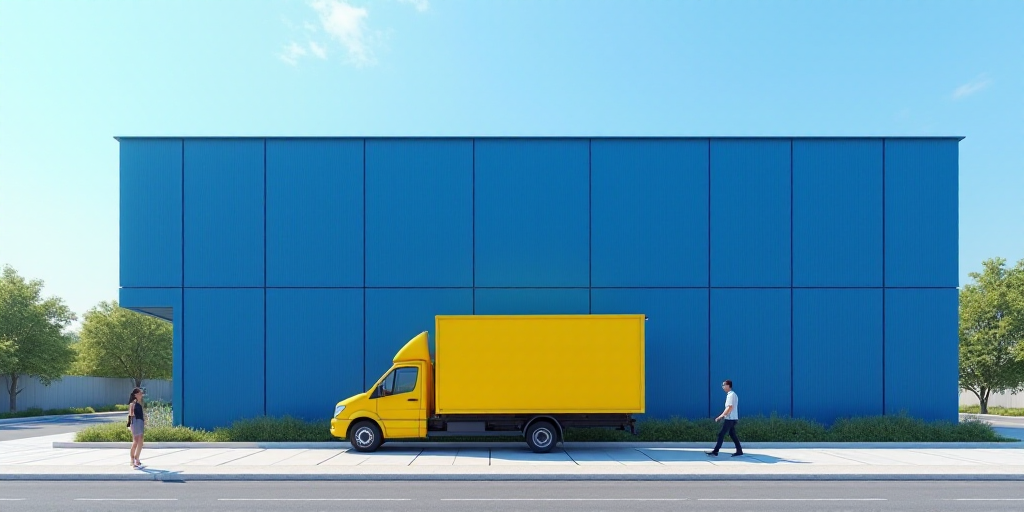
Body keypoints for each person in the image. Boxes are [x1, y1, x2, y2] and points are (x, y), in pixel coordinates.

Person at [706, 379, 743, 457]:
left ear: (728, 386)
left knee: (721, 434)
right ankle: (739, 451)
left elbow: (729, 407)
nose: (722, 386)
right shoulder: (732, 394)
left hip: (730, 419)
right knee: (732, 434)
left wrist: (721, 416)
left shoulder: (731, 395)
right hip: (733, 418)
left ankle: (715, 451)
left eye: (724, 385)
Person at [127, 387, 145, 468]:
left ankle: (137, 458)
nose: (141, 395)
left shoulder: (139, 404)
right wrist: (129, 425)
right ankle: (132, 460)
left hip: (140, 422)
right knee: (136, 441)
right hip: (135, 422)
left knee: (141, 441)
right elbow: (130, 415)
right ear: (135, 395)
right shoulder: (133, 404)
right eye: (140, 394)